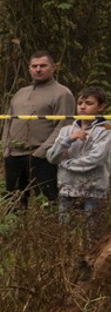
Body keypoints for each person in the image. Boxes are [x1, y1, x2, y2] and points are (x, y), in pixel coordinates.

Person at [2, 50, 74, 205]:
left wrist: (42, 152)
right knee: (13, 202)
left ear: (53, 67)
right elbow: (8, 121)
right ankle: (17, 228)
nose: (38, 69)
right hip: (14, 156)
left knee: (47, 201)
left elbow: (63, 126)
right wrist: (6, 149)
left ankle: (50, 229)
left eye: (43, 65)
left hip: (42, 157)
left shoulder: (62, 93)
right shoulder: (20, 93)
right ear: (29, 68)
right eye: (34, 66)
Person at [43, 85, 111, 221]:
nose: (83, 107)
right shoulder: (66, 131)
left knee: (91, 234)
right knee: (65, 234)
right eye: (80, 103)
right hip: (67, 189)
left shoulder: (105, 130)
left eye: (89, 103)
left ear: (100, 107)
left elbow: (96, 159)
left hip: (93, 191)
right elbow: (51, 157)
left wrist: (66, 164)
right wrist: (68, 140)